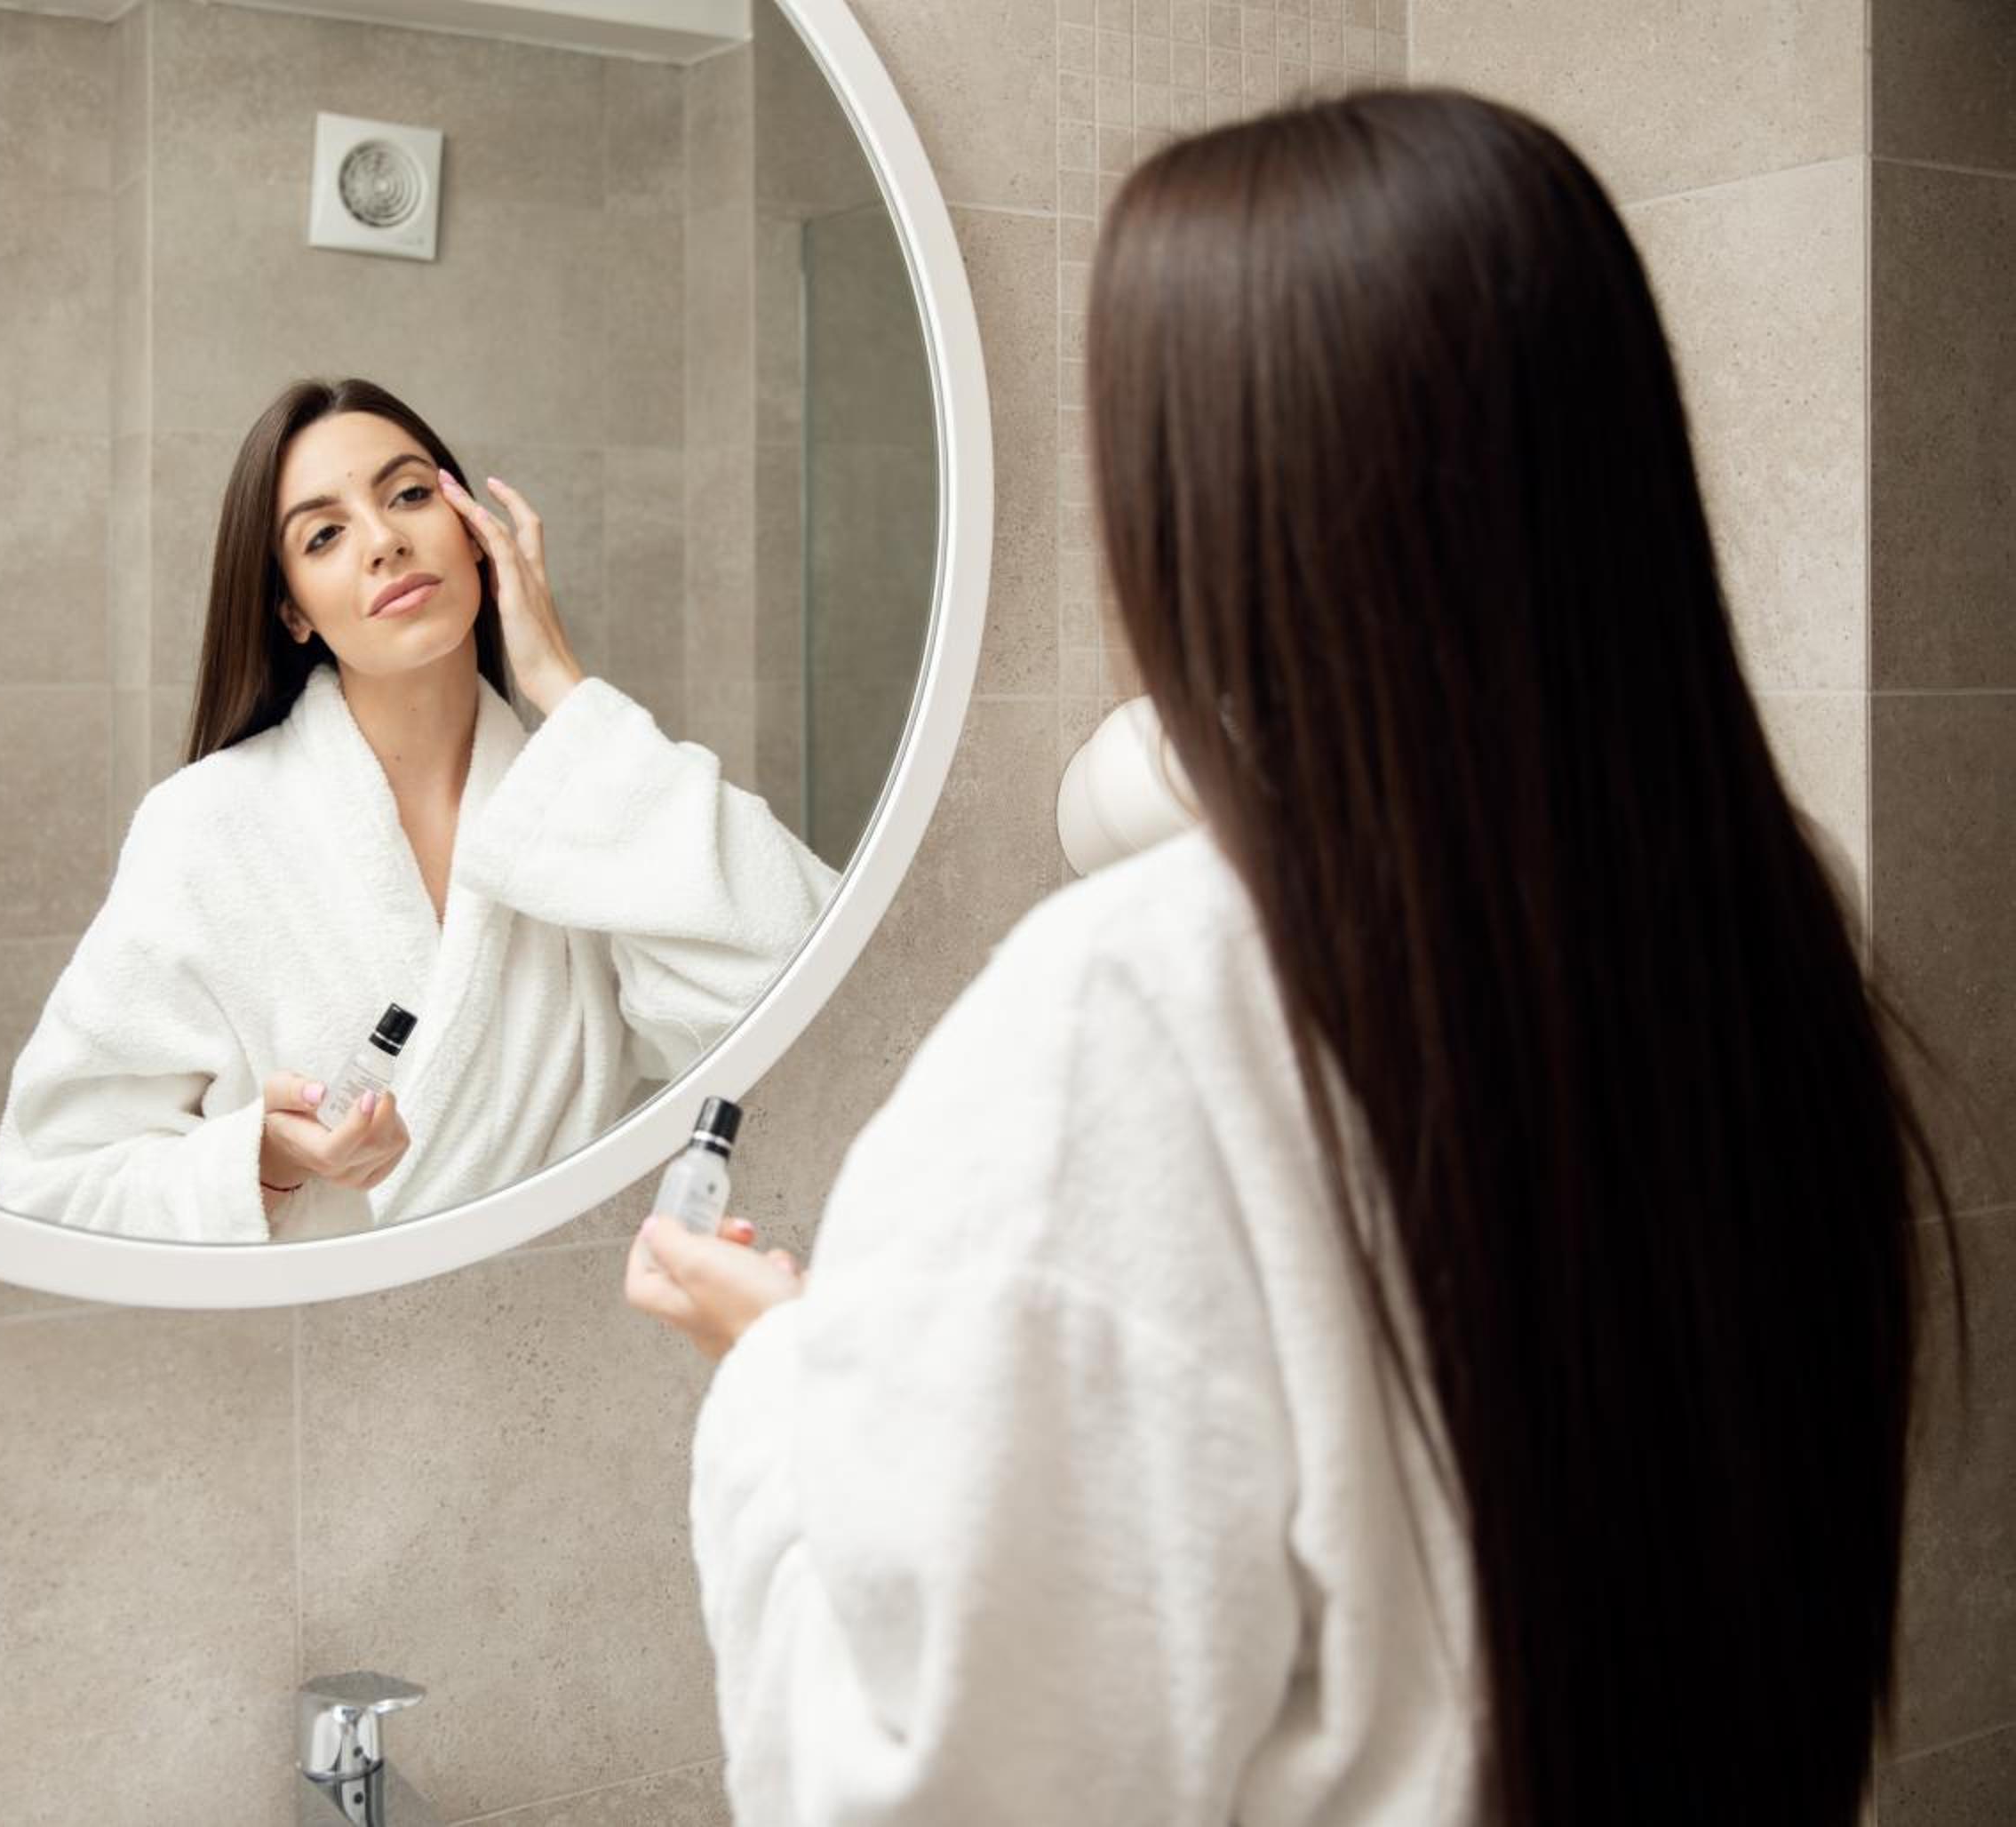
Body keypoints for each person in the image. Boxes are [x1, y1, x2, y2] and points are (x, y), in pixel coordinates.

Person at [626, 88, 1966, 1824]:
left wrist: (785, 1380)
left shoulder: (1142, 1003)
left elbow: (939, 1785)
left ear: (1211, 512)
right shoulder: (1764, 910)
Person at [0, 379, 836, 1242]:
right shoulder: (207, 827)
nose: (384, 540)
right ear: (292, 610)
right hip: (323, 1323)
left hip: (560, 1309)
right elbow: (52, 1179)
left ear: (474, 533)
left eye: (407, 495)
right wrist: (267, 1162)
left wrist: (561, 684)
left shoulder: (588, 811)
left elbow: (817, 991)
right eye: (324, 535)